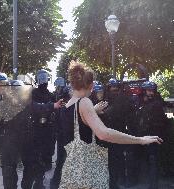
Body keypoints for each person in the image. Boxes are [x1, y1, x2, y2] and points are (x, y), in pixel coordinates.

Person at [59, 61, 163, 189]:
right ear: (90, 85)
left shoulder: (68, 105)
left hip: (72, 170)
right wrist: (140, 140)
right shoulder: (84, 102)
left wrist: (94, 111)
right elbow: (104, 134)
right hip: (88, 172)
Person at [21, 69, 64, 189]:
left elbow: (56, 111)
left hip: (47, 131)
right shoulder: (32, 93)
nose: (44, 81)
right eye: (42, 78)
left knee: (43, 162)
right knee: (31, 165)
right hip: (34, 131)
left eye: (45, 78)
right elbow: (33, 107)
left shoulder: (50, 95)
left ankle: (39, 183)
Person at [136, 81, 168, 189]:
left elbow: (162, 122)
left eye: (152, 91)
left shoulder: (156, 104)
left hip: (154, 137)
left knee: (152, 160)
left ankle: (153, 185)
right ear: (144, 91)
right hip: (142, 137)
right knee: (145, 160)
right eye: (149, 90)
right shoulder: (140, 103)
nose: (151, 93)